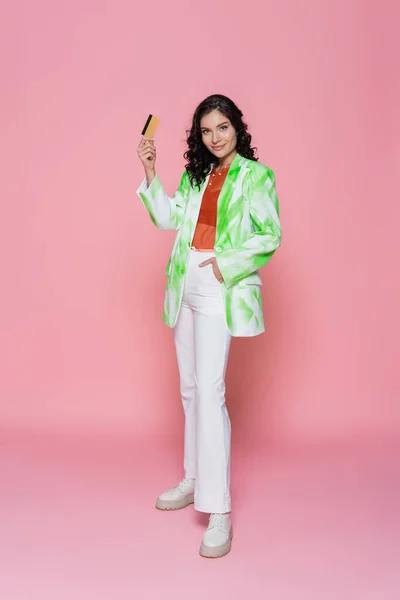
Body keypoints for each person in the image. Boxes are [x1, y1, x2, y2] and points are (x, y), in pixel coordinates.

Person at [136, 94, 281, 558]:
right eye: (206, 130)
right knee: (189, 388)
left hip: (221, 285)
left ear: (237, 127)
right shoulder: (197, 174)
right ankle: (194, 478)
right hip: (184, 284)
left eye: (222, 127)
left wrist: (227, 263)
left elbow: (270, 234)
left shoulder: (257, 177)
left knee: (211, 390)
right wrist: (150, 174)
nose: (215, 137)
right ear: (198, 136)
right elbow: (168, 219)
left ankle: (219, 509)